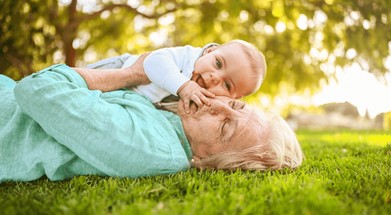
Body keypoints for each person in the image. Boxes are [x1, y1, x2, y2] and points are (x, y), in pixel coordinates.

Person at [0, 59, 302, 183]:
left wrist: (133, 73)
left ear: (208, 160)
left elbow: (37, 89)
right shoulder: (172, 111)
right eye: (235, 104)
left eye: (226, 128)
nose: (220, 108)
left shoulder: (153, 149)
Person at [87, 40, 267, 113]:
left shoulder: (205, 100)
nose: (215, 77)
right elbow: (152, 62)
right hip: (119, 69)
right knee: (75, 79)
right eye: (218, 64)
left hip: (125, 99)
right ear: (209, 51)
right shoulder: (187, 57)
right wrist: (183, 86)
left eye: (227, 85)